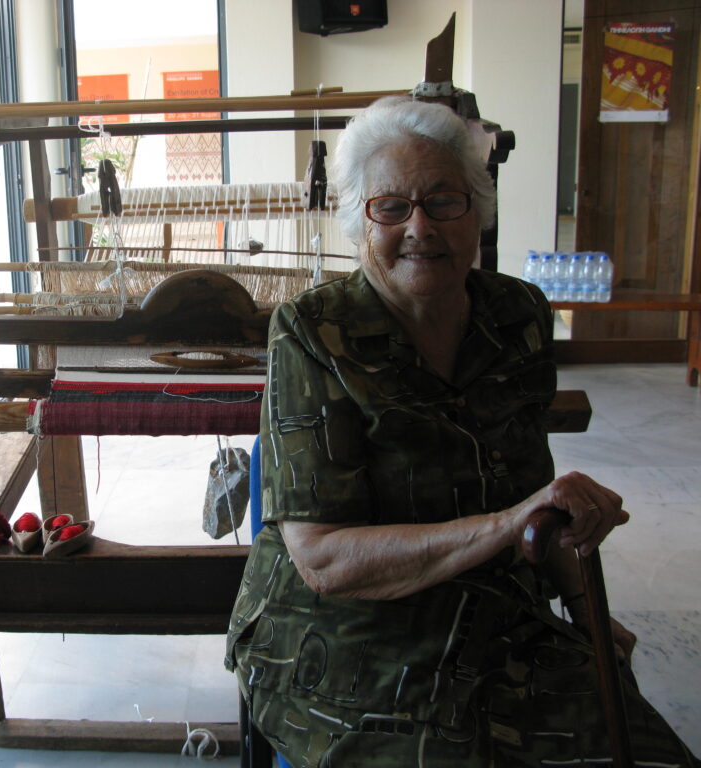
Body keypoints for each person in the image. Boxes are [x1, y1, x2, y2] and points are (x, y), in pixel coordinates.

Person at [225, 96, 696, 767]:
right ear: (359, 221)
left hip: (495, 615)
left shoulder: (517, 315)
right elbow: (323, 560)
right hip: (343, 638)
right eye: (391, 207)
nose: (419, 227)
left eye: (444, 201)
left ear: (478, 213)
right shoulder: (313, 332)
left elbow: (532, 492)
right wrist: (506, 525)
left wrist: (584, 609)